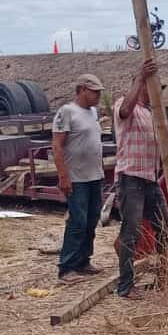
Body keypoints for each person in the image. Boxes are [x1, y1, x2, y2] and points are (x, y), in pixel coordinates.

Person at [114, 59, 168, 300]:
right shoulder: (127, 108)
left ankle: (167, 276)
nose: (157, 91)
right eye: (152, 85)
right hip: (131, 179)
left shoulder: (151, 114)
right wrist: (139, 77)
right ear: (142, 86)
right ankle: (125, 286)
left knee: (165, 228)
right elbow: (125, 109)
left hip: (149, 180)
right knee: (131, 233)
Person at [52, 74, 107, 284]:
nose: (98, 96)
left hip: (94, 175)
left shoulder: (92, 112)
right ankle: (66, 267)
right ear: (83, 90)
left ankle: (84, 260)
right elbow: (57, 145)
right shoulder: (67, 112)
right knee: (78, 221)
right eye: (95, 92)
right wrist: (63, 175)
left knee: (92, 220)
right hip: (77, 177)